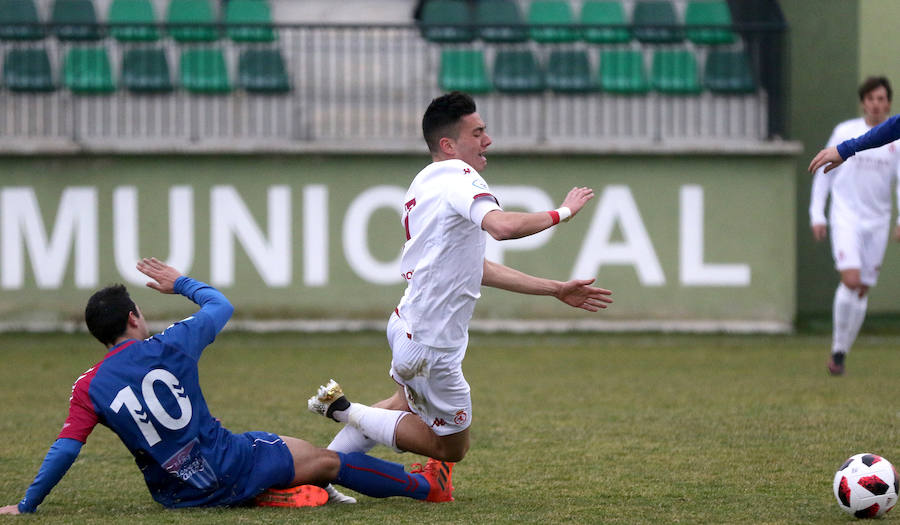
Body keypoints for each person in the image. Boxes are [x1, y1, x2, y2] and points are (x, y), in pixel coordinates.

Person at [308, 91, 614, 501]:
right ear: (449, 145)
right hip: (432, 345)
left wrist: (555, 289)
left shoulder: (422, 184)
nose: (488, 140)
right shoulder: (460, 178)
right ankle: (342, 408)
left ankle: (314, 475)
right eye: (479, 132)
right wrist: (564, 212)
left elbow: (476, 267)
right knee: (451, 448)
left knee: (401, 404)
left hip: (407, 324)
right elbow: (502, 227)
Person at [0, 258, 462, 515]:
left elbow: (65, 449)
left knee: (282, 465)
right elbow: (220, 304)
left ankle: (272, 490)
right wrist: (179, 282)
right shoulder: (171, 344)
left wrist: (26, 505)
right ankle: (426, 487)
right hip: (229, 461)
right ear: (132, 318)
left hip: (176, 493)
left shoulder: (88, 387)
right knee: (327, 461)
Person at [808, 77, 900, 375]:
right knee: (851, 279)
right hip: (846, 216)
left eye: (882, 98)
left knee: (861, 289)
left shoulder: (895, 142)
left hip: (877, 220)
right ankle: (837, 345)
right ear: (863, 101)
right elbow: (824, 174)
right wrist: (817, 213)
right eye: (872, 98)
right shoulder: (845, 131)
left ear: (889, 102)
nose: (877, 103)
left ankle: (841, 354)